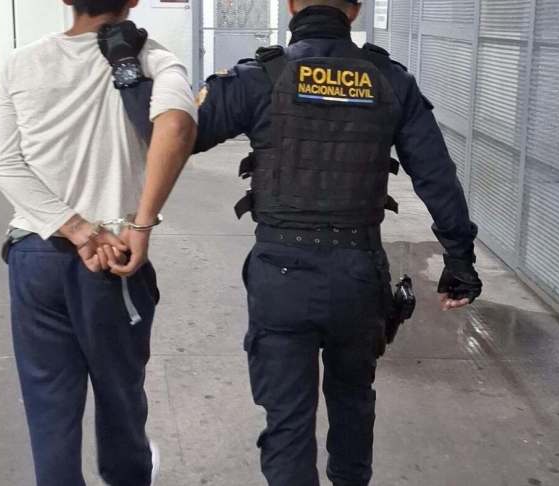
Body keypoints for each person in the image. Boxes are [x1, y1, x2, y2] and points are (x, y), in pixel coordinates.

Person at [195, 0, 483, 485]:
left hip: (280, 277)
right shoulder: (391, 81)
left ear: (290, 5)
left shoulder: (259, 78)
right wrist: (459, 259)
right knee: (353, 410)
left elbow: (176, 131)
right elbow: (437, 176)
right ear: (356, 10)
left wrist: (131, 74)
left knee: (287, 425)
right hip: (358, 275)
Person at [0, 0, 197, 485]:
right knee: (120, 399)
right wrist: (135, 226)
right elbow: (179, 125)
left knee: (49, 407)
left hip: (35, 255)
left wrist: (72, 226)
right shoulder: (152, 57)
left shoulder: (22, 61)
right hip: (111, 259)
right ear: (134, 1)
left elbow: (1, 163)